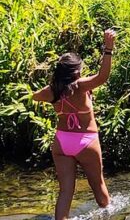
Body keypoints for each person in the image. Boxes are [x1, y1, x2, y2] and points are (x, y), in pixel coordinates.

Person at [32, 29, 116, 220]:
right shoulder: (81, 86)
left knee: (65, 192)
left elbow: (34, 97)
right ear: (76, 71)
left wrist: (51, 90)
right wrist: (108, 49)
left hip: (61, 143)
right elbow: (103, 77)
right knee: (98, 187)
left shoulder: (50, 91)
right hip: (86, 141)